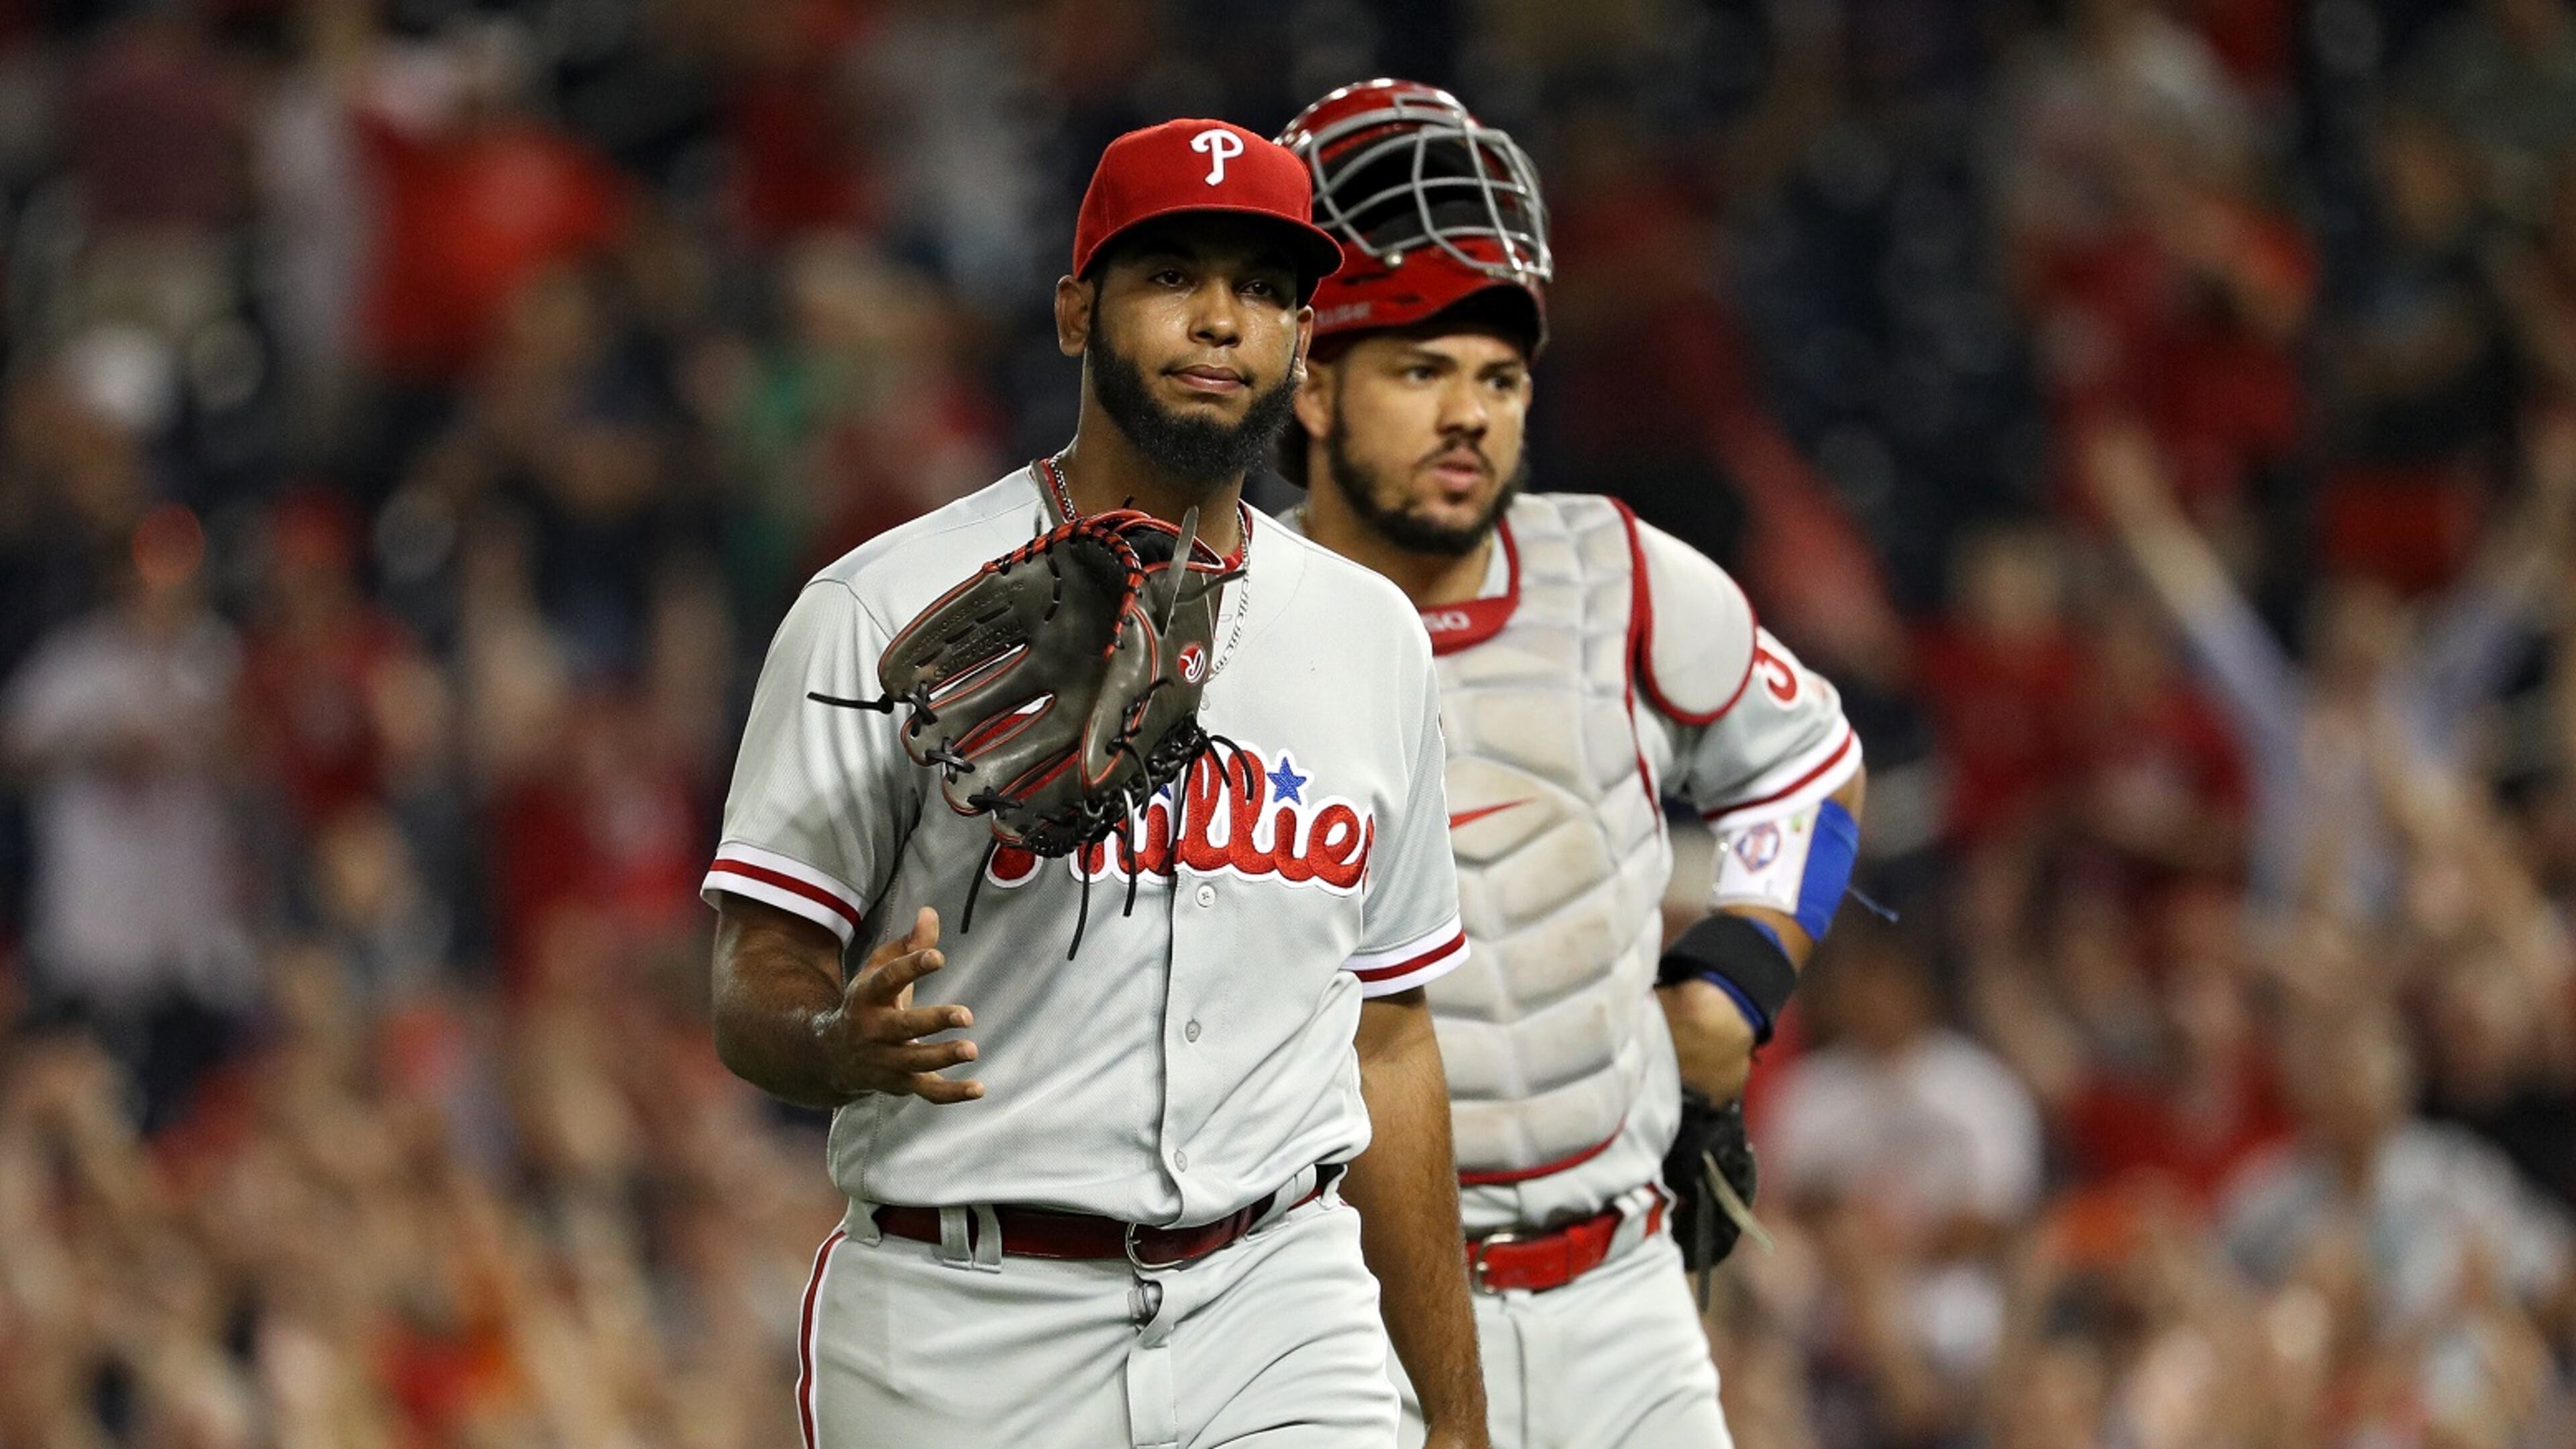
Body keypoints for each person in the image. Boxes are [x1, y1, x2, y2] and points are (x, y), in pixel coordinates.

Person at [698, 118, 1490, 1448]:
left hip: (1277, 1304)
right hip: (964, 1318)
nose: (1222, 320)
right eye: (1172, 275)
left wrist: (1461, 1424)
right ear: (1077, 313)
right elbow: (751, 973)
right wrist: (837, 1042)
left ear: (1303, 346)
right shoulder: (877, 608)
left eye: (1262, 290)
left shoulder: (1371, 640)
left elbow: (1394, 1045)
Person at [1275, 80, 1868, 1448]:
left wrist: (1742, 969)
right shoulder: (1223, 628)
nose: (1470, 417)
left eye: (1499, 376)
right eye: (1422, 371)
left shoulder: (1620, 575)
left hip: (1622, 1299)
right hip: (1340, 1319)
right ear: (1312, 382)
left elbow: (1815, 769)